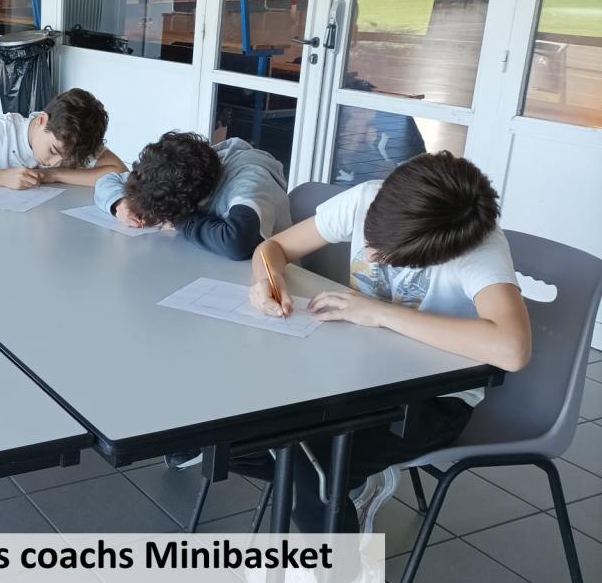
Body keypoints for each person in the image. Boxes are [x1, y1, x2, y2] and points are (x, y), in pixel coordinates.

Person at [241, 151, 531, 543]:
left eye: (388, 254)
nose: (370, 255)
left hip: (433, 398)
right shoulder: (367, 198)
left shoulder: (479, 246)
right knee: (240, 438)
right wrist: (269, 281)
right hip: (353, 373)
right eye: (370, 239)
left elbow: (513, 349)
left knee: (316, 467)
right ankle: (352, 485)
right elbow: (273, 249)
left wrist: (380, 313)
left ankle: (338, 568)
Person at [94, 132, 291, 260]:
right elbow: (108, 180)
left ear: (192, 203)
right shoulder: (169, 168)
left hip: (275, 278)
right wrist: (120, 203)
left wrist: (178, 221)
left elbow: (237, 242)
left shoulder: (250, 179)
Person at [0, 88, 126, 189]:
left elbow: (121, 172)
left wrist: (55, 174)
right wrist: (2, 178)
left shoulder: (76, 138)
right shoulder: (2, 131)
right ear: (42, 121)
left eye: (65, 159)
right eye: (53, 151)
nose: (54, 162)